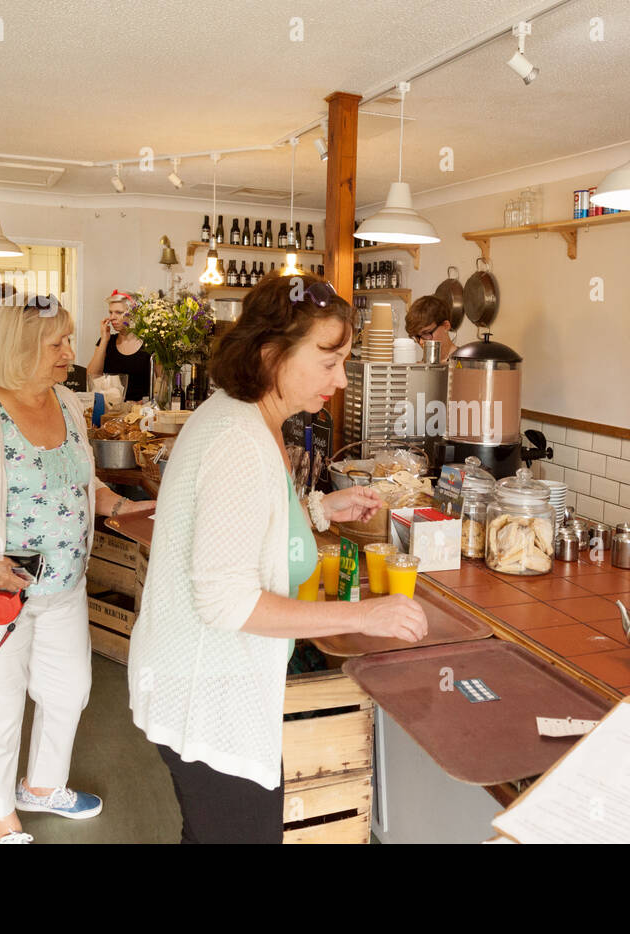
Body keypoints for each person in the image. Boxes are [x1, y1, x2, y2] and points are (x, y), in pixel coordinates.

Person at [127, 274, 428, 844]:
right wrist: (365, 615)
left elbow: (245, 524)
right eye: (328, 361)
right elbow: (226, 601)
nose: (340, 381)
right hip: (207, 691)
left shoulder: (243, 419)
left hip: (200, 680)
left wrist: (318, 508)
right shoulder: (238, 440)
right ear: (271, 354)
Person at [0, 293, 154, 844]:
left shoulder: (66, 402)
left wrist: (118, 506)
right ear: (18, 348)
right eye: (56, 343)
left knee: (68, 691)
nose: (70, 353)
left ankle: (41, 788)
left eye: (67, 340)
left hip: (62, 588)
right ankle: (0, 818)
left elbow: (82, 480)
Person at [86, 290, 152, 402]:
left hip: (140, 413)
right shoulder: (107, 342)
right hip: (111, 411)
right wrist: (104, 339)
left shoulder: (150, 344)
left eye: (118, 312)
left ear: (134, 314)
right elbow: (92, 376)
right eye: (110, 312)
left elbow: (160, 384)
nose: (112, 317)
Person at [404, 295, 456, 359]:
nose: (421, 342)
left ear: (446, 326)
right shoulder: (423, 365)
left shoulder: (463, 362)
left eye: (426, 333)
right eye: (417, 337)